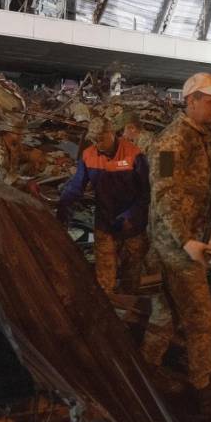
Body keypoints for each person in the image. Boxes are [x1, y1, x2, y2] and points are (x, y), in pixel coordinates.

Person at [141, 72, 211, 412]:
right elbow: (163, 194)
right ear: (190, 101)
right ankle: (202, 384)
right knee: (201, 315)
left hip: (185, 240)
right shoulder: (169, 143)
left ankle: (146, 368)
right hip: (174, 244)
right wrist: (187, 241)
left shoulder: (202, 137)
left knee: (164, 312)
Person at [57, 116, 148, 295]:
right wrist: (62, 216)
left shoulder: (134, 154)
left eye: (100, 139)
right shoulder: (88, 155)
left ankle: (128, 309)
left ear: (112, 134)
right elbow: (76, 187)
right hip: (104, 223)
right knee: (104, 279)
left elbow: (146, 193)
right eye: (93, 139)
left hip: (132, 226)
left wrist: (130, 216)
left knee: (131, 277)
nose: (97, 144)